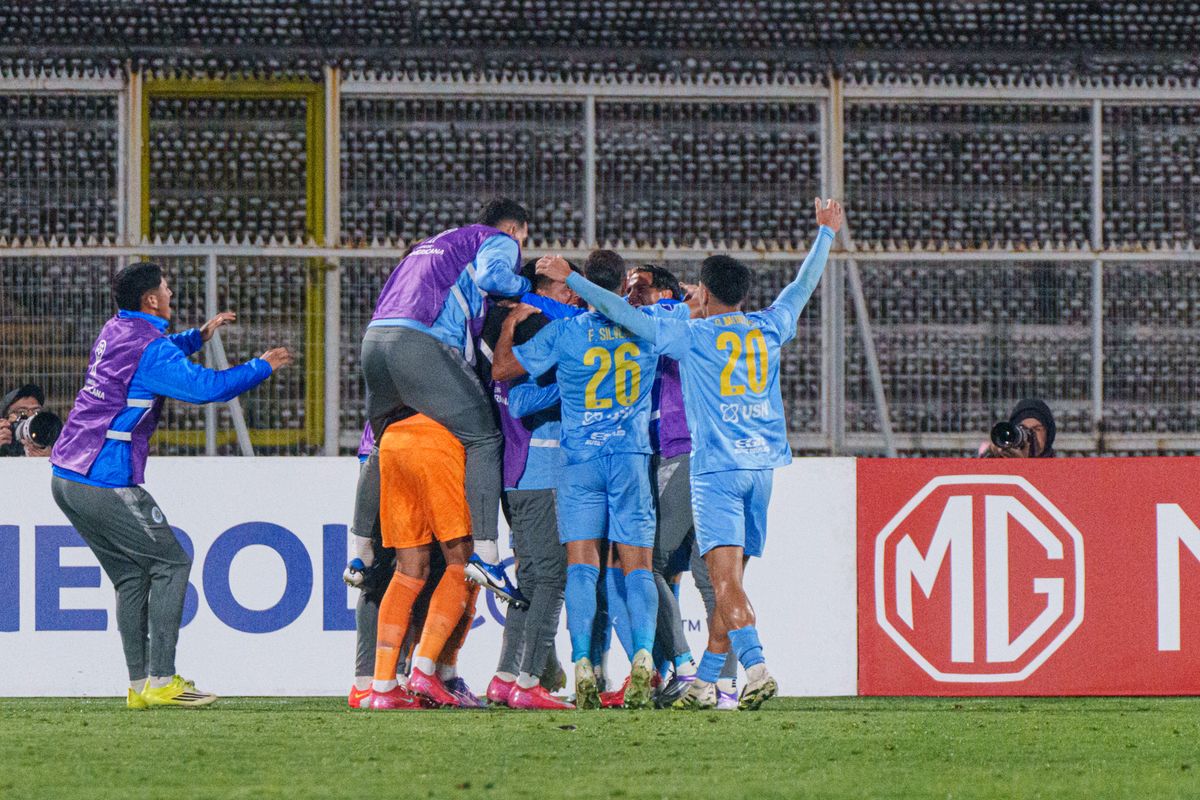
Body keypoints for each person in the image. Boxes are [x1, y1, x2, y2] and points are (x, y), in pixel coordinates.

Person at [538, 198, 843, 710]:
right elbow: (804, 285)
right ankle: (702, 679)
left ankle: (756, 665)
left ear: (704, 291)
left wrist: (577, 280)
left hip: (716, 471)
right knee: (731, 582)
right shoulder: (771, 325)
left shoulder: (692, 336)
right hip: (762, 468)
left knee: (723, 583)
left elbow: (618, 313)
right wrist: (826, 235)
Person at [49, 261, 293, 708]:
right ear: (151, 301)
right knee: (173, 563)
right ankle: (162, 679)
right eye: (167, 287)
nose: (172, 293)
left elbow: (153, 352)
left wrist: (197, 337)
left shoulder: (115, 329)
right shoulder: (151, 349)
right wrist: (262, 365)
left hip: (67, 475)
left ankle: (140, 687)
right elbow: (206, 390)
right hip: (104, 475)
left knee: (130, 577)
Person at [491, 250, 670, 710]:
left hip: (580, 461)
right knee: (637, 565)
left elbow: (505, 371)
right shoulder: (647, 323)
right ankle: (645, 656)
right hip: (629, 457)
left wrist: (511, 326)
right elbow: (685, 305)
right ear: (624, 287)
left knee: (581, 566)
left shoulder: (567, 331)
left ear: (583, 281)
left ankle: (583, 662)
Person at [360, 198, 531, 605]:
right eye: (523, 239)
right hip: (419, 345)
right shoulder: (497, 241)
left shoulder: (432, 245)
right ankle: (488, 555)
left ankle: (359, 552)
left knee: (380, 444)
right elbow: (494, 277)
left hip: (374, 342)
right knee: (485, 439)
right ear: (513, 230)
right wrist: (522, 288)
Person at [481, 259, 581, 710]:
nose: (573, 299)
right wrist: (574, 385)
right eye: (566, 290)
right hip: (536, 471)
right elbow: (520, 400)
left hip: (520, 472)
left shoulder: (517, 330)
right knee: (552, 578)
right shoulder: (537, 329)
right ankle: (527, 682)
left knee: (533, 578)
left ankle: (507, 676)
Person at [366, 412, 481, 709]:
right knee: (464, 564)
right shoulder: (456, 364)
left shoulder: (396, 364)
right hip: (439, 439)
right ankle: (427, 669)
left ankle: (382, 685)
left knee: (408, 571)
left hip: (392, 441)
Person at [978, 399, 1057, 458]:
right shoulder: (1002, 463)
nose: (1030, 434)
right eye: (1023, 428)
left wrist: (1021, 464)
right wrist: (990, 455)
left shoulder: (1059, 468)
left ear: (1048, 433)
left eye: (1037, 429)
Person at [1, 383, 51, 457]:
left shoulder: (50, 441)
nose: (30, 417)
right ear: (5, 419)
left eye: (36, 412)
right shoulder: (3, 439)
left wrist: (49, 459)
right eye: (22, 413)